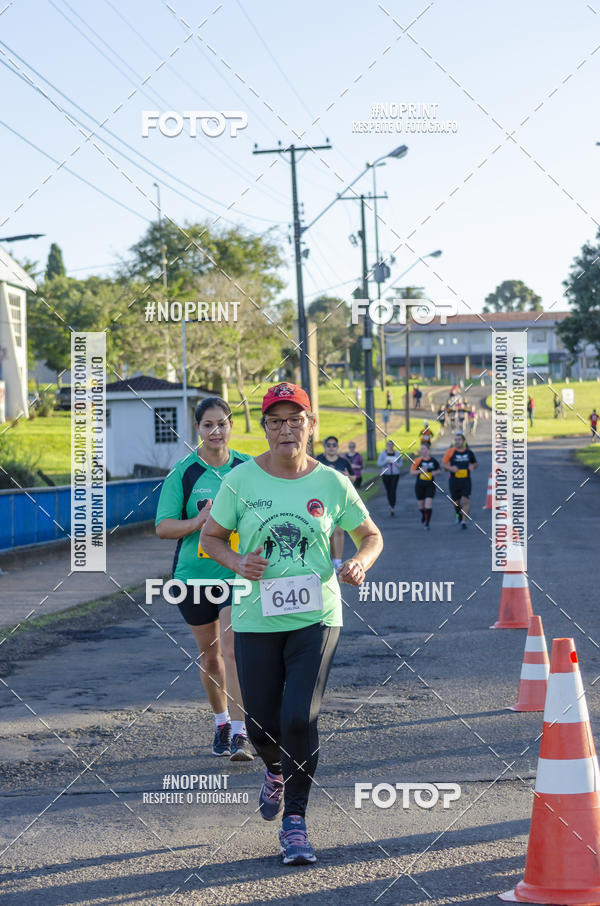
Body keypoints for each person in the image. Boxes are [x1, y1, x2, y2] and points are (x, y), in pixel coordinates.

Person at [200, 382, 383, 866]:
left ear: (311, 424)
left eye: (295, 419)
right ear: (265, 429)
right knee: (261, 727)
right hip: (256, 618)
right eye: (276, 421)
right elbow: (212, 536)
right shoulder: (240, 480)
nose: (287, 428)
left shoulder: (332, 482)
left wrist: (361, 561)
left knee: (299, 717)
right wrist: (237, 562)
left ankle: (295, 824)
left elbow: (371, 534)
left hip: (316, 616)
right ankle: (275, 770)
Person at [155, 397, 253, 761]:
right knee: (211, 657)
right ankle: (222, 722)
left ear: (231, 426)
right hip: (193, 578)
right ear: (197, 428)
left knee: (232, 651)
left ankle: (242, 734)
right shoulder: (184, 472)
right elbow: (163, 527)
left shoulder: (247, 468)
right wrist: (198, 523)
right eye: (208, 425)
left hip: (235, 572)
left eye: (222, 424)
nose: (215, 431)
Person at [316, 437, 355, 572]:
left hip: (338, 499)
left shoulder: (343, 462)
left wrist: (344, 476)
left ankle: (337, 561)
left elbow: (354, 477)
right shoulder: (318, 460)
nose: (331, 447)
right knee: (325, 531)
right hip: (320, 500)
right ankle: (327, 559)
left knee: (338, 530)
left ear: (337, 447)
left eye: (334, 445)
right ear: (325, 446)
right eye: (329, 445)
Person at [442, 431, 478, 530]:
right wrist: (450, 468)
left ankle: (463, 521)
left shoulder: (469, 452)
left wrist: (472, 466)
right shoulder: (450, 452)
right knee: (456, 502)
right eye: (456, 440)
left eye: (459, 440)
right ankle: (458, 513)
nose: (457, 442)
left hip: (466, 480)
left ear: (463, 441)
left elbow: (475, 463)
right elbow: (444, 465)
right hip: (454, 480)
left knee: (465, 500)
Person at [410, 442, 441, 530]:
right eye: (421, 449)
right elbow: (412, 472)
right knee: (421, 506)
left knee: (428, 504)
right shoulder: (418, 460)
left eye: (424, 449)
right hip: (419, 485)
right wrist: (421, 471)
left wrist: (433, 472)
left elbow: (439, 470)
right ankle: (424, 515)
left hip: (430, 485)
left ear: (428, 450)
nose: (422, 451)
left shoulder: (433, 460)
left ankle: (427, 524)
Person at [377, 439, 403, 516]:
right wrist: (386, 462)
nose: (390, 446)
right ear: (386, 446)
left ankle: (392, 507)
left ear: (393, 446)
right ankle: (390, 504)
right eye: (388, 445)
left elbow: (400, 464)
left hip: (395, 474)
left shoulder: (397, 454)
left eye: (391, 445)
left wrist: (397, 464)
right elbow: (379, 464)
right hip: (386, 474)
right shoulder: (383, 454)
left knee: (393, 490)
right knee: (388, 491)